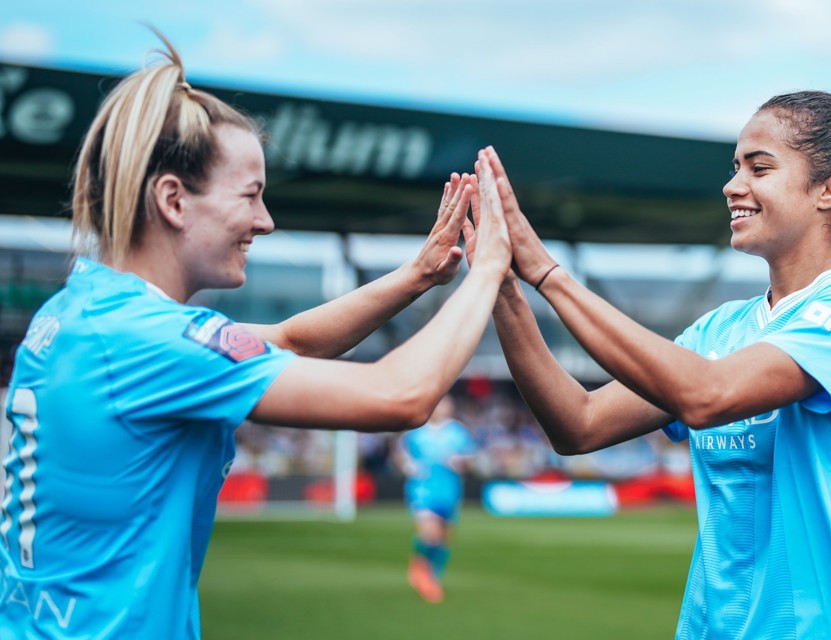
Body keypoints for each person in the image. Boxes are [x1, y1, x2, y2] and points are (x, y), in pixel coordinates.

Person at [0, 32, 512, 639]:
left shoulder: (91, 314)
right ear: (173, 201)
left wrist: (420, 275)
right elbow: (402, 395)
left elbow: (292, 341)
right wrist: (489, 270)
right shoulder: (147, 342)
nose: (266, 222)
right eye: (251, 196)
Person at [469, 90, 831, 638]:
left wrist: (547, 272)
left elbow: (710, 395)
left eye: (760, 167)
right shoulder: (718, 329)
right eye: (735, 168)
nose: (733, 186)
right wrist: (505, 289)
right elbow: (578, 424)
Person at [393, 394, 476, 603]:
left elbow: (471, 461)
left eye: (448, 403)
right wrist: (407, 465)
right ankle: (420, 570)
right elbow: (398, 452)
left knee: (443, 538)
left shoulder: (458, 431)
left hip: (449, 490)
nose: (445, 408)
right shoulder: (416, 430)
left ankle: (433, 577)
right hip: (423, 488)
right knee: (430, 533)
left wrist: (461, 462)